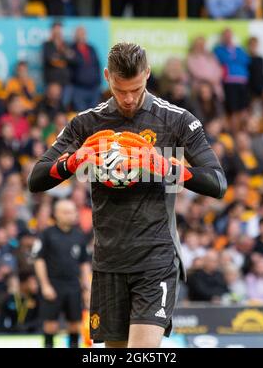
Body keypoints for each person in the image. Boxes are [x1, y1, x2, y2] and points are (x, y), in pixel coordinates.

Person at [28, 42, 227, 348]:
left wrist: (168, 167)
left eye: (135, 88)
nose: (129, 98)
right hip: (108, 261)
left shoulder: (176, 120)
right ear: (107, 77)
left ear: (147, 74)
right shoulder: (86, 124)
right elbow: (36, 179)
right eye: (121, 90)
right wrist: (73, 161)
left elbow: (217, 183)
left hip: (156, 258)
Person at [34, 199, 91, 349]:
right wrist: (45, 285)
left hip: (73, 285)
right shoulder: (47, 234)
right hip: (53, 284)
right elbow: (38, 260)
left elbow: (84, 262)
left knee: (74, 324)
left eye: (73, 211)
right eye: (66, 212)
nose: (71, 215)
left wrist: (86, 287)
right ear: (56, 214)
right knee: (51, 324)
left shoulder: (79, 236)